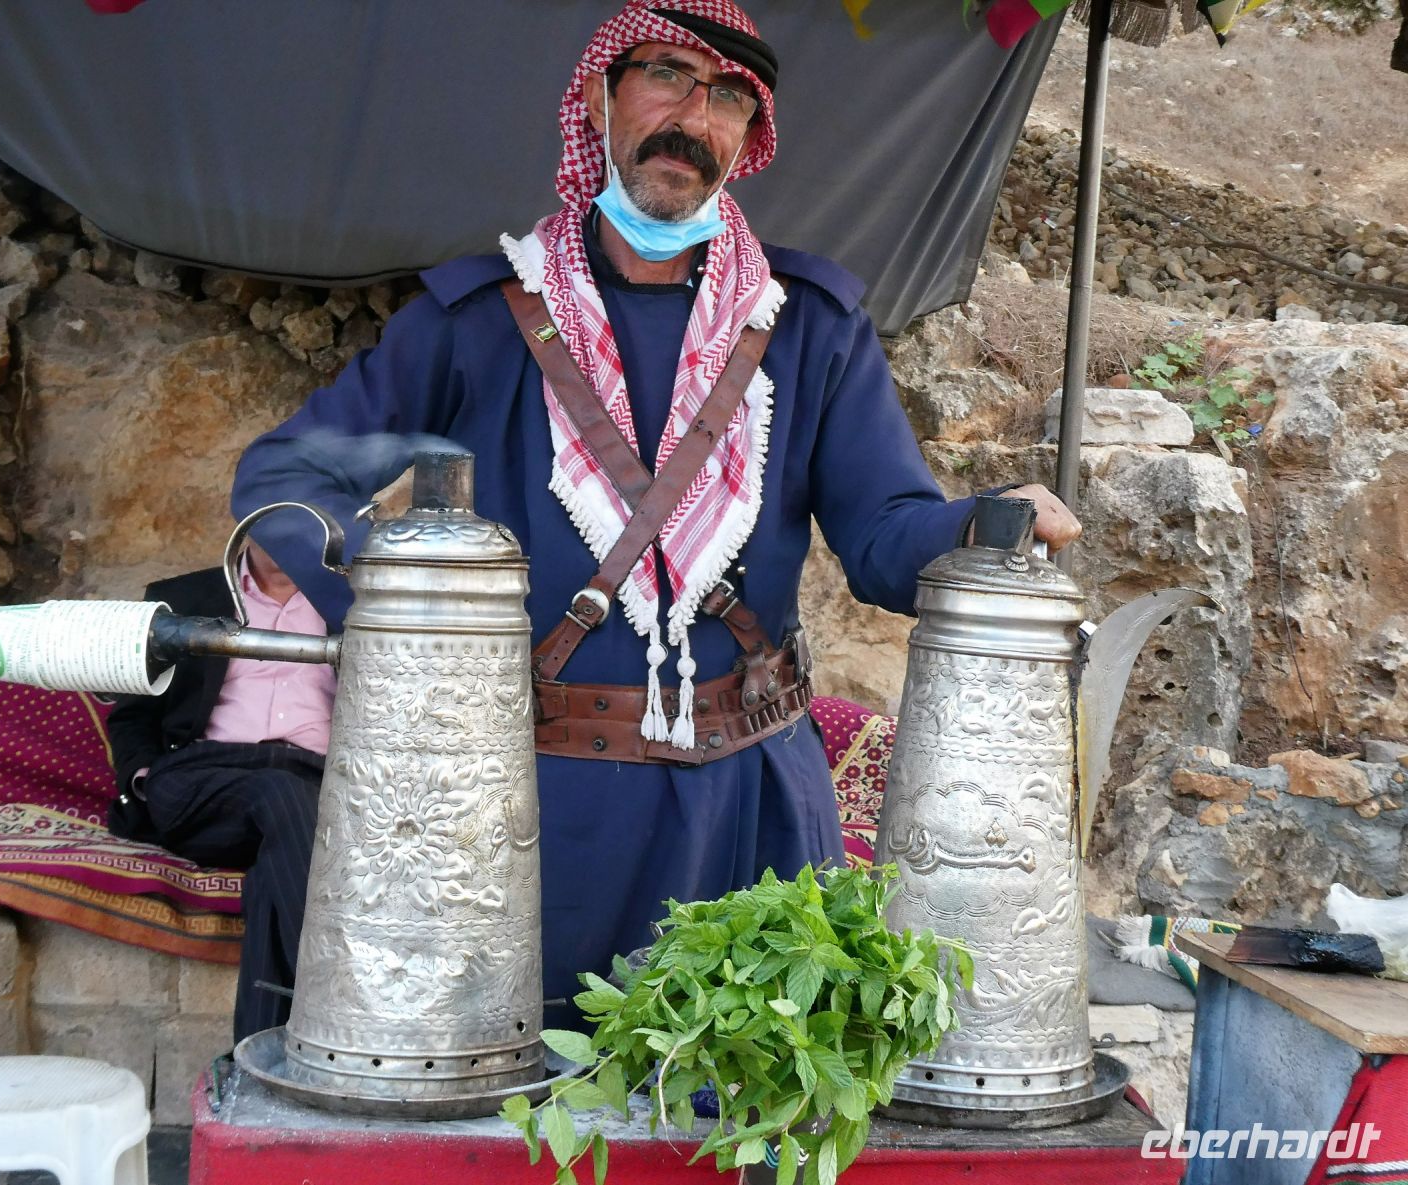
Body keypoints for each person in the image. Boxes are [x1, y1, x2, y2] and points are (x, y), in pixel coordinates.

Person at [231, 0, 1081, 1017]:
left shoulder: (807, 327)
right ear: (600, 96)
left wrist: (980, 523)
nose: (694, 117)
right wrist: (411, 610)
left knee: (750, 1100)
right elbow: (285, 479)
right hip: (530, 812)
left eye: (728, 98)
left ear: (748, 137)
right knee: (528, 1093)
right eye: (667, 75)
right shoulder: (479, 320)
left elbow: (885, 539)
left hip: (753, 809)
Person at [105, 541, 333, 1043]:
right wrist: (143, 779)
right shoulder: (181, 598)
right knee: (281, 796)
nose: (282, 531)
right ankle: (337, 1008)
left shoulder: (351, 605)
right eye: (268, 515)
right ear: (246, 522)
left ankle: (255, 1062)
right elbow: (131, 714)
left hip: (314, 786)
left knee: (275, 874)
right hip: (201, 777)